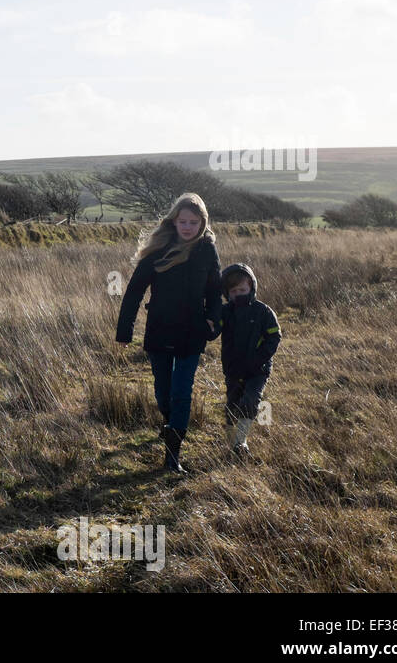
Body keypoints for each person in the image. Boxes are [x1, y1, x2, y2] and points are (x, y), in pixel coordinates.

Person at [115, 192, 223, 473]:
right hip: (160, 331)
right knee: (163, 393)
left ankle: (172, 455)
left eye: (194, 222)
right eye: (183, 221)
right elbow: (134, 291)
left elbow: (214, 290)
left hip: (192, 332)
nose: (188, 227)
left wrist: (214, 321)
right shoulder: (158, 251)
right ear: (173, 222)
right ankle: (169, 423)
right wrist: (125, 331)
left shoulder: (206, 250)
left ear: (203, 223)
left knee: (181, 392)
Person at [218, 263, 282, 455]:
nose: (239, 294)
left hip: (258, 369)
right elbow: (211, 331)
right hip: (233, 368)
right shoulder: (225, 311)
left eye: (243, 289)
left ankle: (240, 443)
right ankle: (231, 442)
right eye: (234, 291)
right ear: (227, 293)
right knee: (232, 404)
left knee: (251, 399)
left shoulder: (263, 312)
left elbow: (274, 337)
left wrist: (259, 359)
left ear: (252, 287)